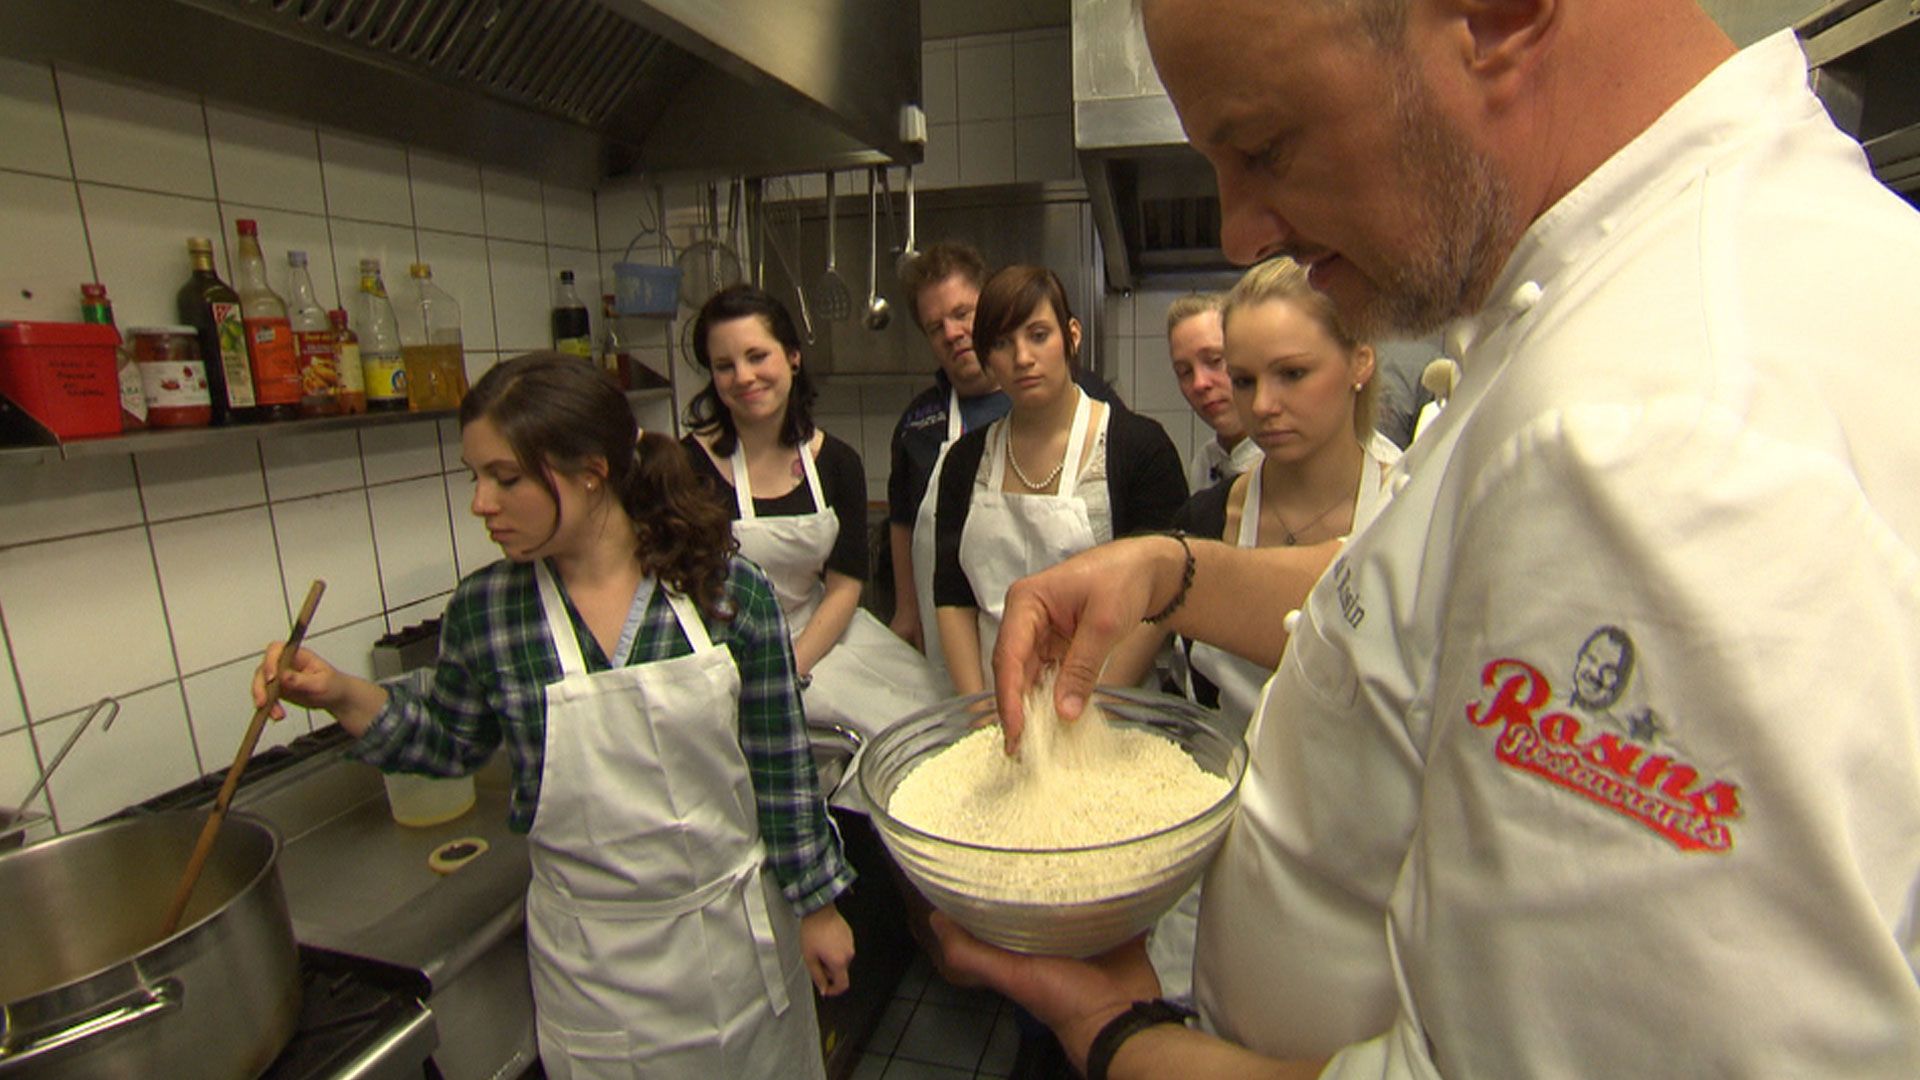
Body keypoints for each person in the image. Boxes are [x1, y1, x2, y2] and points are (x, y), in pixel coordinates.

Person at [936, 0, 1920, 1077]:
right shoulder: (1687, 266)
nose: (1238, 233)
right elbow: (1446, 615)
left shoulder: (1652, 447)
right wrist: (1175, 571)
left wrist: (1119, 1034)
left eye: (1263, 146)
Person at [252, 353, 855, 1079]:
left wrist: (817, 905)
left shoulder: (723, 591)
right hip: (596, 971)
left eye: (504, 478)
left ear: (591, 469)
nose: (481, 503)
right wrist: (341, 692)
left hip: (733, 940)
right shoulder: (490, 614)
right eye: (474, 477)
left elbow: (780, 764)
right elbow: (448, 739)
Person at [1106, 257, 1402, 1010]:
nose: (1262, 405)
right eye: (1243, 381)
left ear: (1360, 361)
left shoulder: (1411, 516)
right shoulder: (1209, 523)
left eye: (1293, 374)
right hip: (1222, 861)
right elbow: (1112, 676)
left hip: (1364, 885)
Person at [681, 285, 945, 751]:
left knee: (922, 725)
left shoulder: (837, 463)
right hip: (720, 655)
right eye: (725, 366)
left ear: (793, 358)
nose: (744, 376)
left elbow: (845, 587)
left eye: (757, 356)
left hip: (819, 639)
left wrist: (788, 670)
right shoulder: (684, 468)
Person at [931, 264, 1187, 695]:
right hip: (998, 703)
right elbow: (954, 598)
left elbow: (1161, 599)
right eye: (1001, 343)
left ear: (1072, 335)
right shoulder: (965, 463)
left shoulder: (1139, 448)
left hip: (1112, 705)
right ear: (987, 359)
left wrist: (1088, 705)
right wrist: (977, 710)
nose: (1022, 358)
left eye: (1038, 334)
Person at [888, 242, 1124, 672]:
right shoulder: (918, 425)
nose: (953, 333)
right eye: (935, 326)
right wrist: (907, 608)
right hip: (963, 647)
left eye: (963, 313)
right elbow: (903, 519)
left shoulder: (1091, 404)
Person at [1165, 293, 1262, 491]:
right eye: (1184, 372)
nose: (1199, 383)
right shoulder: (1203, 464)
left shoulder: (1288, 458)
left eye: (1215, 360)